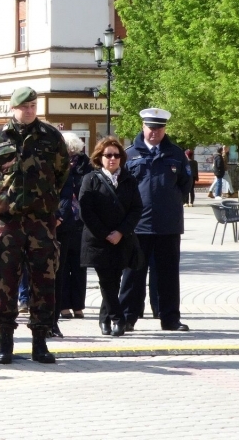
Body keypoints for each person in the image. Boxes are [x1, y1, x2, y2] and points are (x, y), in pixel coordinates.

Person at [0, 86, 69, 365]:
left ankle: (40, 342)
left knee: (44, 281)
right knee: (5, 283)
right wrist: (3, 201)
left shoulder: (51, 137)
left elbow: (61, 172)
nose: (29, 111)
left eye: (33, 106)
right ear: (13, 108)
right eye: (24, 107)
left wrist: (45, 200)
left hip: (41, 221)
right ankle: (5, 342)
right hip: (9, 223)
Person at [119, 108, 191, 332]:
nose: (154, 132)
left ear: (164, 129)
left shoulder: (176, 154)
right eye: (151, 128)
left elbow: (185, 185)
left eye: (159, 128)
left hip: (168, 226)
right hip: (137, 226)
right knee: (133, 274)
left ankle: (170, 319)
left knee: (168, 276)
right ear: (143, 127)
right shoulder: (129, 154)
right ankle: (127, 317)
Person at [78, 137, 143, 337]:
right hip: (98, 241)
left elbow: (136, 208)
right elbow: (86, 211)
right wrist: (105, 234)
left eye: (116, 155)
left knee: (114, 280)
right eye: (108, 155)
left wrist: (120, 232)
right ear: (100, 158)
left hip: (121, 239)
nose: (112, 159)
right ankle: (118, 318)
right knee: (106, 280)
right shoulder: (90, 179)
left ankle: (104, 319)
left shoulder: (129, 179)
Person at [52, 132, 93, 337]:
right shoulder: (58, 165)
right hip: (63, 222)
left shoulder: (86, 166)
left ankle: (78, 305)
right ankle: (63, 306)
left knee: (79, 266)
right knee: (63, 265)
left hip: (81, 223)